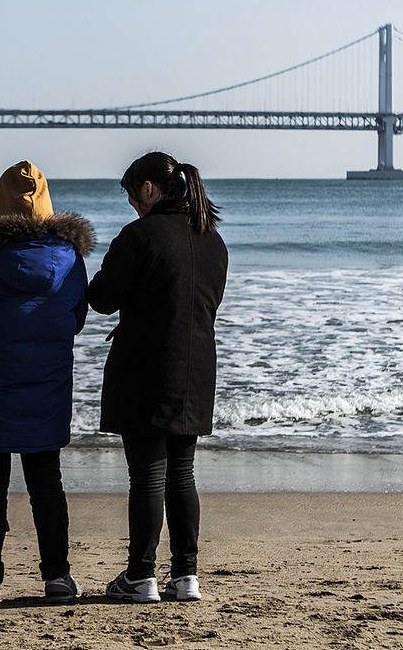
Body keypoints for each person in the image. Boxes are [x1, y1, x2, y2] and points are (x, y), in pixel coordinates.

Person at [0, 160, 95, 604]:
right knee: (46, 483)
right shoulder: (70, 259)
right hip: (46, 384)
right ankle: (58, 578)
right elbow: (77, 319)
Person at [87, 151, 228, 603]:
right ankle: (186, 575)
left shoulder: (140, 235)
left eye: (131, 194)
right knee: (182, 474)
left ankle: (140, 575)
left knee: (147, 475)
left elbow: (103, 299)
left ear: (148, 189)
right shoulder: (213, 241)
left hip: (146, 366)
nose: (131, 203)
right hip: (197, 367)